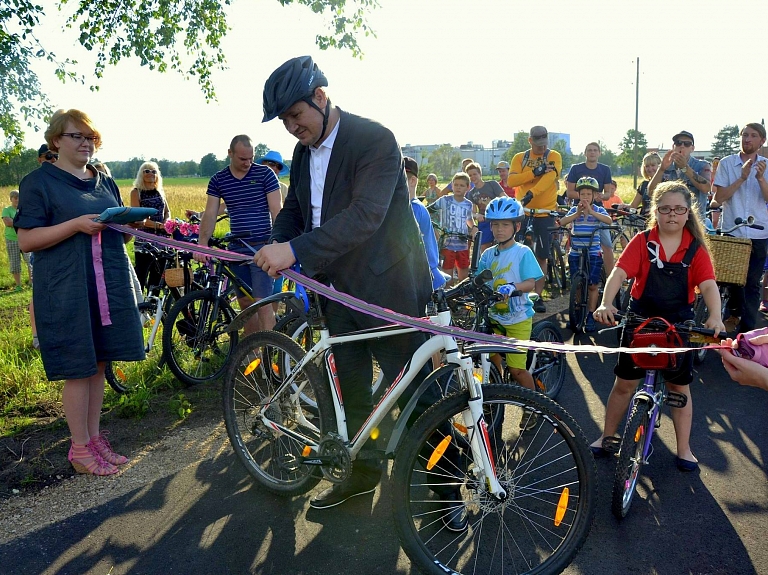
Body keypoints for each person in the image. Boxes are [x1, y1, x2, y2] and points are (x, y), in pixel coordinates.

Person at [256, 56, 462, 529]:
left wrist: (295, 250)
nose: (291, 127)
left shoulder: (375, 140)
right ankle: (362, 475)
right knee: (351, 395)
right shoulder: (304, 152)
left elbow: (366, 216)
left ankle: (448, 486)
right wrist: (275, 241)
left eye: (295, 115)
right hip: (336, 292)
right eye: (285, 120)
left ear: (321, 97)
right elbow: (296, 209)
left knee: (412, 395)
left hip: (386, 289)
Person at [15, 109, 144, 475]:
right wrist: (75, 225)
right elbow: (26, 240)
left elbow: (114, 227)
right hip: (66, 286)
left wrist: (130, 224)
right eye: (77, 136)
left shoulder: (103, 180)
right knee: (78, 366)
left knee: (100, 363)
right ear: (57, 140)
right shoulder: (39, 183)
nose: (86, 143)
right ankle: (79, 450)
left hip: (107, 284)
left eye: (91, 137)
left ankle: (93, 437)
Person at [590, 181, 723, 472]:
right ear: (656, 211)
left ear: (688, 213)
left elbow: (709, 285)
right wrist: (606, 302)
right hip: (640, 319)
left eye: (678, 209)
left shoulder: (695, 248)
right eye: (665, 209)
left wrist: (715, 316)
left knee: (679, 387)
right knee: (624, 383)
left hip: (678, 324)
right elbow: (619, 273)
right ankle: (607, 435)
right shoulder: (642, 241)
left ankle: (684, 448)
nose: (672, 215)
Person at [195, 135, 282, 333]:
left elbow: (277, 210)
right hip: (236, 249)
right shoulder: (219, 180)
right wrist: (202, 243)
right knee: (245, 304)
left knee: (263, 304)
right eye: (242, 159)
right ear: (230, 153)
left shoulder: (266, 175)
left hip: (262, 247)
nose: (247, 163)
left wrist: (278, 243)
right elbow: (210, 214)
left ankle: (270, 355)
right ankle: (252, 355)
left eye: (251, 158)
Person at [477, 196, 542, 401]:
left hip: (518, 318)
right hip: (494, 317)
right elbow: (478, 281)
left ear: (517, 226)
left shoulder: (523, 252)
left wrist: (513, 287)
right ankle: (496, 400)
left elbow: (531, 283)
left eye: (505, 224)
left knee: (516, 370)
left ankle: (534, 406)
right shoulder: (487, 254)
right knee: (491, 362)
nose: (499, 230)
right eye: (495, 224)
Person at [713, 122, 768, 334]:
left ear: (761, 141)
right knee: (731, 280)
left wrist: (760, 178)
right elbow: (719, 198)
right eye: (744, 135)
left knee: (753, 284)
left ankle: (746, 332)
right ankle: (733, 315)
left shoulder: (766, 164)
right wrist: (742, 178)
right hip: (733, 232)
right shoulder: (727, 163)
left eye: (753, 135)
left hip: (759, 233)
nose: (747, 139)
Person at [506, 126, 563, 312]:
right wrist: (534, 172)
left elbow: (549, 178)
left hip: (544, 212)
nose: (542, 147)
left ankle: (537, 296)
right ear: (530, 141)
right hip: (523, 211)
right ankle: (513, 292)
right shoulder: (520, 158)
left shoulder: (554, 156)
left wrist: (532, 191)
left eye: (544, 144)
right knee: (514, 252)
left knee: (541, 256)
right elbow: (511, 181)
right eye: (538, 144)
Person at [559, 177, 613, 332]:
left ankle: (590, 314)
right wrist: (576, 215)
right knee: (577, 284)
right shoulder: (574, 210)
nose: (585, 197)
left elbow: (608, 221)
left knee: (592, 285)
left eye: (589, 194)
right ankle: (576, 311)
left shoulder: (598, 210)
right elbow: (562, 222)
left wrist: (591, 212)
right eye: (583, 194)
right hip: (576, 251)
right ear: (578, 195)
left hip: (593, 251)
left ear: (594, 196)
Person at [566, 142, 618, 274]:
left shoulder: (605, 169)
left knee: (606, 244)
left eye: (595, 150)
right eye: (589, 150)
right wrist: (584, 197)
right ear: (585, 153)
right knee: (573, 241)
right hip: (579, 209)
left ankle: (609, 277)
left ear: (599, 153)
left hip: (597, 210)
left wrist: (600, 196)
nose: (592, 152)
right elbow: (569, 192)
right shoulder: (576, 169)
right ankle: (573, 270)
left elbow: (608, 193)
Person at [648, 130, 711, 221]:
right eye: (678, 143)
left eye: (687, 144)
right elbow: (651, 192)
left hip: (694, 221)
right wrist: (661, 169)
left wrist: (685, 168)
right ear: (673, 147)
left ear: (692, 148)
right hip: (669, 220)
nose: (682, 146)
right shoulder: (666, 166)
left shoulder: (702, 165)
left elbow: (706, 188)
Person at [404, 157, 446, 291]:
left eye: (399, 179)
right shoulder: (410, 206)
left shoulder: (413, 208)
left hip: (423, 274)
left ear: (412, 181)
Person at [428, 171, 476, 286]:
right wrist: (434, 227)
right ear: (452, 186)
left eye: (462, 185)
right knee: (447, 272)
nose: (458, 188)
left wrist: (474, 227)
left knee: (463, 272)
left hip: (463, 244)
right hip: (447, 243)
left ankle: (461, 296)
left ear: (467, 188)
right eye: (456, 185)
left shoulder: (469, 204)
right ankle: (448, 297)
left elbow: (468, 219)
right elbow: (428, 210)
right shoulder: (444, 200)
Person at [130, 161, 171, 293]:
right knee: (141, 274)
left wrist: (167, 223)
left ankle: (153, 305)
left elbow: (167, 211)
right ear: (141, 174)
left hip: (161, 240)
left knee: (157, 275)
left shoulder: (159, 192)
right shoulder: (136, 192)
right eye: (146, 171)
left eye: (154, 171)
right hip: (144, 240)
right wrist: (158, 226)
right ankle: (140, 307)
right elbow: (137, 216)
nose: (150, 173)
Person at [465, 162, 504, 252]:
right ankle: (485, 264)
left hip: (498, 218)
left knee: (501, 245)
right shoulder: (471, 193)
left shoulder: (492, 184)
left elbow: (504, 198)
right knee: (484, 247)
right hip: (485, 220)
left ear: (480, 174)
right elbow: (472, 212)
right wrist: (476, 215)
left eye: (475, 174)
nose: (473, 177)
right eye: (470, 175)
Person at [2, 190, 32, 291]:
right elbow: (7, 223)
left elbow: (29, 221)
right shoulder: (7, 210)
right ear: (11, 199)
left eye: (19, 198)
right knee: (15, 262)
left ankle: (31, 282)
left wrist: (15, 221)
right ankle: (18, 285)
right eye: (15, 198)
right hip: (12, 239)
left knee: (30, 261)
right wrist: (22, 222)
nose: (17, 200)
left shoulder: (25, 209)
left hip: (25, 238)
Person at [623, 151, 661, 216]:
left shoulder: (666, 184)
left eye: (653, 165)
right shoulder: (644, 185)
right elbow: (633, 205)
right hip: (643, 220)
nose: (650, 169)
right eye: (647, 166)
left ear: (660, 166)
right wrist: (622, 206)